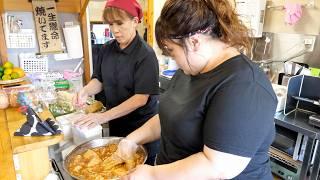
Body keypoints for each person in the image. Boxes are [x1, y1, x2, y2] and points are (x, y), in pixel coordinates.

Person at [114, 0, 278, 179]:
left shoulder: (245, 86)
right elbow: (168, 117)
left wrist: (153, 174)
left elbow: (216, 166)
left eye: (171, 50)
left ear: (194, 42)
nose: (173, 58)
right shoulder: (190, 69)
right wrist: (131, 140)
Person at [73, 0, 160, 165]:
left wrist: (102, 116)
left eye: (120, 23)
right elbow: (99, 80)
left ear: (135, 21)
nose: (114, 30)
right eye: (111, 24)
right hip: (116, 124)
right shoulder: (107, 49)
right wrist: (85, 91)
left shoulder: (145, 55)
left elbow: (140, 98)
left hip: (141, 130)